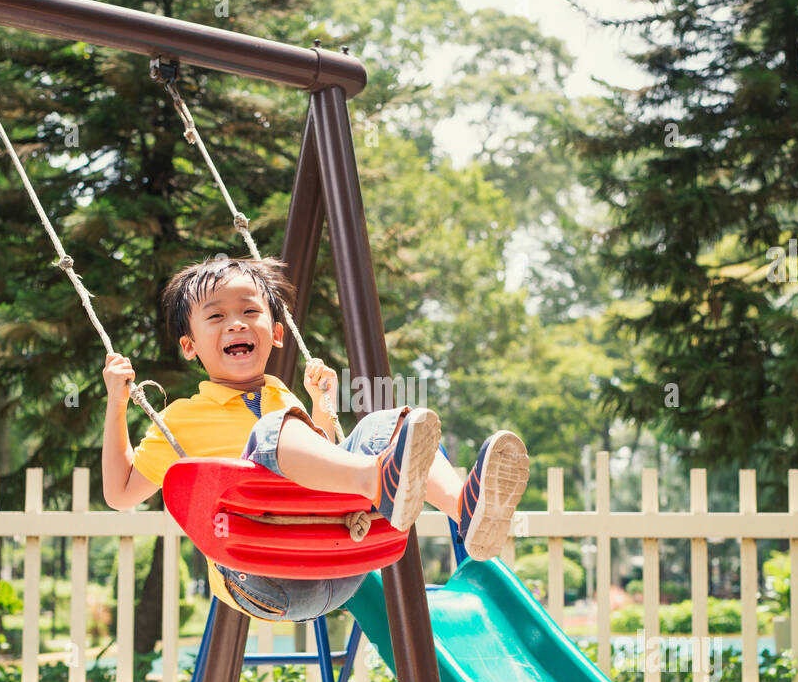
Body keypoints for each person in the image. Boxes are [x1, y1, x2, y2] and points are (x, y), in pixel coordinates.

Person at [101, 256, 530, 623]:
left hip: (343, 561)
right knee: (272, 430)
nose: (235, 323)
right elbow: (120, 495)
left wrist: (321, 408)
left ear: (278, 332)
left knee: (389, 423)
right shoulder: (182, 418)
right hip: (265, 581)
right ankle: (378, 481)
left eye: (250, 312)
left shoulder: (283, 399)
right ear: (190, 346)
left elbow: (320, 468)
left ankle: (467, 511)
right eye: (216, 316)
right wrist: (117, 404)